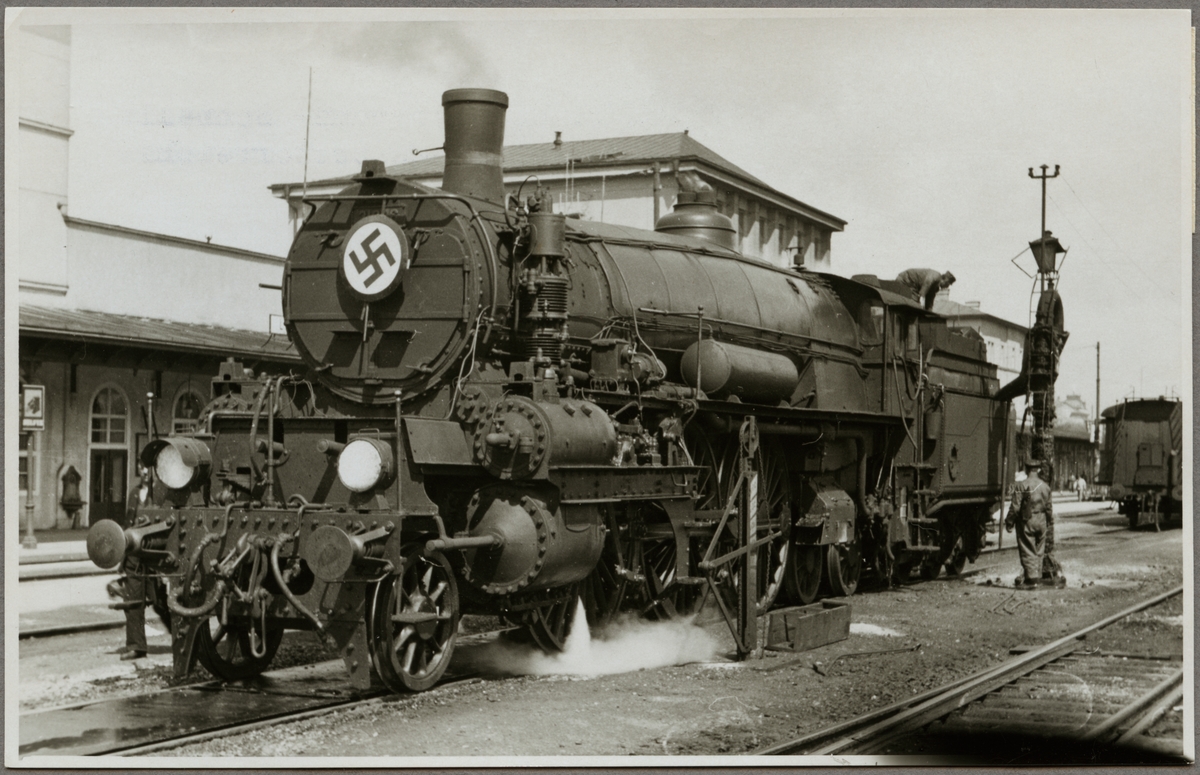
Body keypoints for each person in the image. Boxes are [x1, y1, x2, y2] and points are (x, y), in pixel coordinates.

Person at [112, 469, 153, 660]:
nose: (145, 471)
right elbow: (127, 524)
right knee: (133, 600)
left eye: (149, 467)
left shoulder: (163, 494)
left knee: (165, 602)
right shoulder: (134, 493)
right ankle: (137, 646)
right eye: (142, 466)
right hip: (135, 554)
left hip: (155, 553)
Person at [1005, 458, 1052, 590]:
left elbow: (1015, 507)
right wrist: (1048, 521)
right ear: (1038, 470)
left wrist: (1009, 522)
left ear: (1026, 469)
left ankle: (1031, 580)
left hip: (1027, 520)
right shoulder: (1045, 486)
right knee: (1039, 550)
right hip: (1042, 519)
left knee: (1027, 548)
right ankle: (1038, 576)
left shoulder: (1021, 485)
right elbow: (1049, 508)